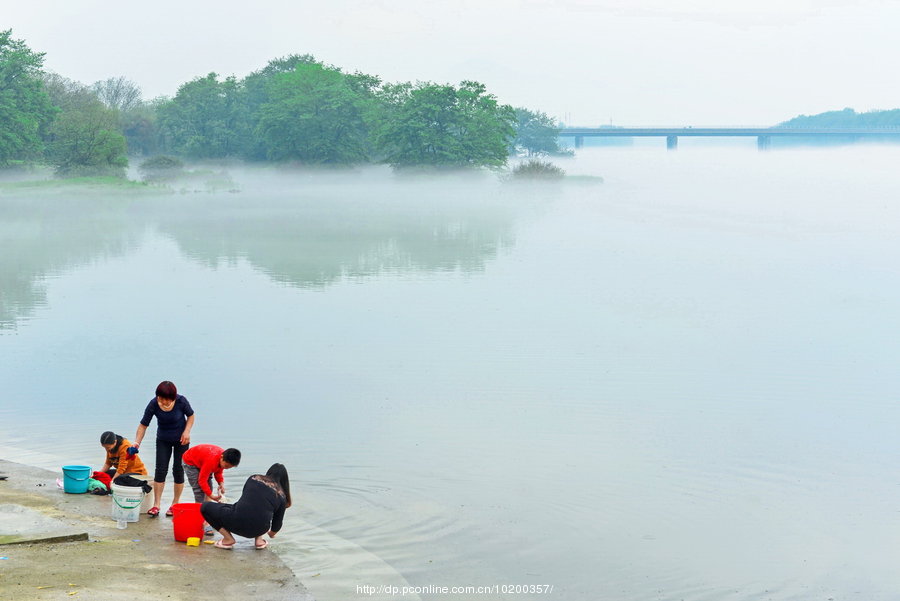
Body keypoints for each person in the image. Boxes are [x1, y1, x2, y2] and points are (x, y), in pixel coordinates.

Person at [132, 380, 195, 517]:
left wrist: (187, 431)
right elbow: (143, 425)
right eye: (161, 398)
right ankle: (157, 505)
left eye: (166, 400)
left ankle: (175, 504)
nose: (163, 402)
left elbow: (190, 415)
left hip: (181, 440)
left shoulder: (181, 401)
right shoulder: (153, 404)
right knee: (160, 470)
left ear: (172, 397)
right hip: (163, 440)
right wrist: (136, 443)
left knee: (178, 470)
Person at [202, 463, 291, 550]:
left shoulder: (254, 478)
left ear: (269, 472)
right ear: (284, 480)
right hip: (259, 529)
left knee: (205, 507)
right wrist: (271, 533)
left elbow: (246, 502)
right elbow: (277, 525)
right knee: (261, 511)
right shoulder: (282, 496)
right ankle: (259, 541)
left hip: (236, 523)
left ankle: (228, 539)